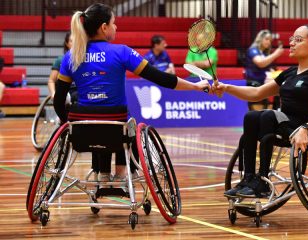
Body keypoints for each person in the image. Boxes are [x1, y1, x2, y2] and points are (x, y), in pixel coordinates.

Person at [54, 3, 210, 186]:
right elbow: (161, 78)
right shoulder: (122, 52)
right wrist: (195, 86)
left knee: (101, 121)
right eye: (114, 23)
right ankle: (121, 174)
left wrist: (68, 124)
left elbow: (58, 101)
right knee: (127, 124)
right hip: (116, 129)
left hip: (82, 132)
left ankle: (103, 174)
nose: (116, 27)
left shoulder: (71, 56)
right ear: (104, 27)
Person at [215, 25, 308, 197]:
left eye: (298, 40)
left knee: (268, 115)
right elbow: (257, 93)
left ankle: (263, 182)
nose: (292, 43)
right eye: (292, 39)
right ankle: (249, 178)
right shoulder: (290, 73)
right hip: (286, 124)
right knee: (250, 116)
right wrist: (226, 88)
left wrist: (305, 129)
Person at [245, 29, 284, 111]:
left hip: (263, 79)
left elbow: (266, 67)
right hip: (254, 80)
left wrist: (274, 72)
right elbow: (260, 63)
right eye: (266, 39)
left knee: (281, 82)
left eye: (270, 40)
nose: (269, 42)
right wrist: (275, 54)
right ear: (260, 39)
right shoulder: (253, 50)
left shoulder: (264, 53)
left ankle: (277, 109)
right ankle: (277, 108)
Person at [48, 32, 73, 99]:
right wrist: (53, 94)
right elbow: (51, 80)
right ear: (67, 44)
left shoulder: (85, 60)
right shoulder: (60, 60)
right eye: (71, 41)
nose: (74, 43)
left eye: (76, 40)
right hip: (64, 95)